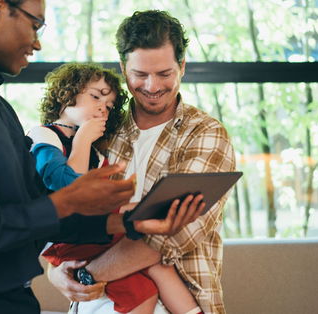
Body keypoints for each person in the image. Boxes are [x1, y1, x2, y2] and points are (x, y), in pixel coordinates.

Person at [0, 0, 205, 312]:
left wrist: (127, 224)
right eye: (35, 24)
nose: (37, 42)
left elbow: (29, 211)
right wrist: (68, 199)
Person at [47, 10, 236, 314]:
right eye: (140, 74)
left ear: (182, 67)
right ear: (123, 68)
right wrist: (56, 271)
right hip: (93, 306)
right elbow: (66, 215)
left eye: (164, 74)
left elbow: (167, 238)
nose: (151, 86)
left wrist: (86, 273)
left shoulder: (205, 134)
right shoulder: (101, 132)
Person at [29, 62, 201, 314]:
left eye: (108, 106)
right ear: (66, 94)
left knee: (152, 272)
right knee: (145, 277)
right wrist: (83, 140)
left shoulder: (97, 155)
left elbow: (102, 202)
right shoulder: (44, 135)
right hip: (66, 238)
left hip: (96, 233)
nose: (102, 107)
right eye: (95, 96)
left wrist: (136, 209)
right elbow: (68, 190)